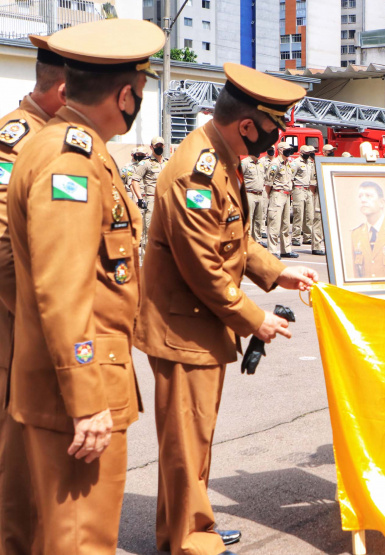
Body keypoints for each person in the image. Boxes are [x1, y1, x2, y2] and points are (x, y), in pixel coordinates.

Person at [135, 62, 317, 555]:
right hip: (182, 328)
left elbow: (235, 239)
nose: (274, 143)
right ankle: (190, 540)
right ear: (247, 125)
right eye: (273, 132)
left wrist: (278, 272)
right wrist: (257, 318)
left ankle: (189, 525)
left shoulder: (221, 157)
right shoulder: (195, 174)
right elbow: (205, 269)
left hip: (196, 326)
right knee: (186, 440)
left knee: (195, 436)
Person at [6, 19, 164, 553]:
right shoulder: (67, 161)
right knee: (79, 542)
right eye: (139, 94)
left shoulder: (73, 147)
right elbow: (63, 289)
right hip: (77, 393)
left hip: (74, 384)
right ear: (125, 95)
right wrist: (86, 399)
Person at [0, 33, 66, 555]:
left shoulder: (54, 136)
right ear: (65, 87)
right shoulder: (19, 137)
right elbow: (2, 250)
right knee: (14, 450)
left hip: (38, 321)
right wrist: (39, 317)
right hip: (19, 325)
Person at [131, 135, 167, 250]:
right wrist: (140, 198)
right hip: (151, 200)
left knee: (166, 231)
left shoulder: (168, 163)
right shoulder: (146, 163)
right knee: (149, 230)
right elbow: (134, 180)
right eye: (157, 146)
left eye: (161, 146)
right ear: (151, 147)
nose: (159, 148)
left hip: (166, 200)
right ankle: (147, 261)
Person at [265, 140, 297, 259]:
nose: (289, 151)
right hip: (277, 194)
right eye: (286, 149)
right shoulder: (275, 164)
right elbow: (268, 182)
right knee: (274, 223)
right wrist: (270, 195)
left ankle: (286, 249)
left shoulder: (287, 163)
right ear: (280, 150)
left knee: (285, 224)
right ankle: (272, 250)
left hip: (287, 195)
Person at [240, 153, 266, 244]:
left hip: (260, 194)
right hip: (249, 193)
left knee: (258, 220)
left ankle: (257, 241)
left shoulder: (260, 163)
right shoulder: (245, 163)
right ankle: (247, 241)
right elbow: (239, 179)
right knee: (249, 220)